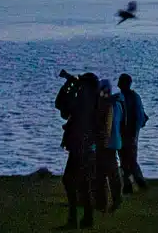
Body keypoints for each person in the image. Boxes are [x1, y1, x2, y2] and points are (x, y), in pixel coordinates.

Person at [56, 71, 100, 229]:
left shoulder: (85, 99)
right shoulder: (94, 99)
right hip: (88, 146)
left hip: (80, 145)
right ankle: (86, 218)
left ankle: (75, 218)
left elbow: (62, 106)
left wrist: (69, 86)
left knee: (70, 180)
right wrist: (71, 85)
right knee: (82, 183)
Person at [96, 78, 125, 211]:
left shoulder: (106, 105)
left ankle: (104, 202)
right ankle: (114, 199)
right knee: (111, 172)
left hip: (105, 143)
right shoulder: (118, 104)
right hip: (115, 142)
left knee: (102, 174)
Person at [117, 73, 149, 192]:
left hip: (129, 133)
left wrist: (134, 132)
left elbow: (139, 116)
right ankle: (130, 183)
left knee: (129, 160)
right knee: (126, 160)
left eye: (120, 81)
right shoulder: (127, 97)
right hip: (125, 133)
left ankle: (136, 182)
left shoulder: (130, 97)